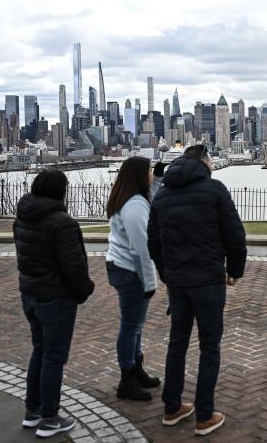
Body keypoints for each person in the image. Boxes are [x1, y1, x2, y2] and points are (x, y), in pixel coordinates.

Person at [148, 144, 247, 436]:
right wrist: (235, 271)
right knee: (209, 345)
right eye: (212, 160)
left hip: (178, 282)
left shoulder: (162, 194)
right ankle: (204, 415)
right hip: (207, 280)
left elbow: (154, 242)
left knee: (177, 343)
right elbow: (234, 235)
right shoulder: (214, 190)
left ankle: (172, 407)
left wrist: (166, 274)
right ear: (204, 162)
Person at [13, 168, 94, 438]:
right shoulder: (62, 222)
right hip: (56, 298)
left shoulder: (23, 218)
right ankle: (49, 418)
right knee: (54, 358)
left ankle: (32, 411)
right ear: (61, 191)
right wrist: (85, 290)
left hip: (30, 294)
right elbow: (74, 266)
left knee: (40, 350)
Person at [105, 156, 161, 401]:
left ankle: (136, 369)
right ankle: (127, 378)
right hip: (130, 271)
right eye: (149, 171)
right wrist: (150, 283)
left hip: (121, 266)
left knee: (134, 324)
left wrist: (158, 180)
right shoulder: (134, 205)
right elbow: (142, 248)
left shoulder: (128, 198)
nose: (150, 174)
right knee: (131, 326)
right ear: (139, 174)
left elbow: (149, 200)